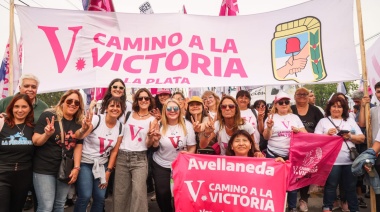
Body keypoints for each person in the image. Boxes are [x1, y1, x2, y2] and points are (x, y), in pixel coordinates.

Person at [32, 89, 90, 211]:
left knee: (59, 205)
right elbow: (36, 141)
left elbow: (78, 143)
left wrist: (76, 168)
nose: (73, 104)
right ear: (62, 101)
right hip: (44, 168)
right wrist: (47, 134)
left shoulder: (79, 122)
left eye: (77, 102)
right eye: (69, 101)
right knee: (46, 206)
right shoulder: (49, 115)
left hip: (65, 169)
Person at [74, 97, 126, 212]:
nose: (115, 108)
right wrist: (84, 129)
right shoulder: (97, 119)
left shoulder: (121, 127)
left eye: (118, 106)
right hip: (85, 162)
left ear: (122, 110)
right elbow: (79, 136)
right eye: (112, 105)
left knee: (100, 197)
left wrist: (108, 171)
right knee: (85, 196)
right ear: (106, 108)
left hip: (102, 165)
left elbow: (114, 151)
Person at [314, 96, 364, 212]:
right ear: (329, 108)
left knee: (350, 188)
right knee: (331, 186)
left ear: (344, 109)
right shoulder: (323, 121)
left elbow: (361, 138)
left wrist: (350, 136)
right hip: (332, 161)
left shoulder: (350, 121)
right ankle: (327, 208)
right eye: (334, 106)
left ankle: (354, 209)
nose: (336, 109)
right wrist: (326, 135)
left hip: (349, 160)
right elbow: (315, 140)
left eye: (339, 107)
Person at [113, 88, 160, 212]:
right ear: (136, 100)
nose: (143, 100)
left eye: (146, 98)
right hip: (122, 156)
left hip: (139, 158)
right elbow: (119, 135)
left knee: (139, 194)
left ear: (150, 100)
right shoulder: (127, 114)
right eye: (140, 98)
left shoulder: (153, 120)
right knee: (120, 194)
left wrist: (150, 137)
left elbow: (149, 144)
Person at [263, 91, 307, 212]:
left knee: (292, 183)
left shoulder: (295, 117)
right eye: (281, 102)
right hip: (273, 154)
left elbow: (306, 135)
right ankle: (276, 206)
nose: (284, 104)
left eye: (286, 102)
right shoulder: (271, 118)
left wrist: (298, 131)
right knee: (274, 182)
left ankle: (292, 207)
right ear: (276, 104)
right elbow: (266, 137)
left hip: (291, 155)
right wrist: (270, 127)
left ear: (289, 104)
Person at [152, 99, 196, 212]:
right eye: (169, 108)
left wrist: (189, 154)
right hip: (161, 163)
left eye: (175, 108)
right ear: (164, 111)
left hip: (180, 165)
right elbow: (154, 146)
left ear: (180, 111)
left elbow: (192, 146)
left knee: (180, 193)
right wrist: (155, 140)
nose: (172, 111)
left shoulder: (187, 125)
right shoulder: (159, 124)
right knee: (162, 193)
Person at [290, 87, 324, 211]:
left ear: (308, 96)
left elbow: (323, 126)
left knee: (305, 174)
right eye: (299, 94)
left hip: (310, 149)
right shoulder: (290, 109)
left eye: (305, 94)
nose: (302, 96)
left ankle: (304, 200)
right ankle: (290, 202)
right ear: (294, 96)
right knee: (292, 175)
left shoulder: (315, 110)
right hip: (292, 148)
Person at [0, 94, 35, 212]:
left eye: (24, 107)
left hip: (23, 176)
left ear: (30, 108)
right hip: (2, 174)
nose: (20, 110)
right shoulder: (1, 123)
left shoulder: (33, 128)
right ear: (11, 108)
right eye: (16, 106)